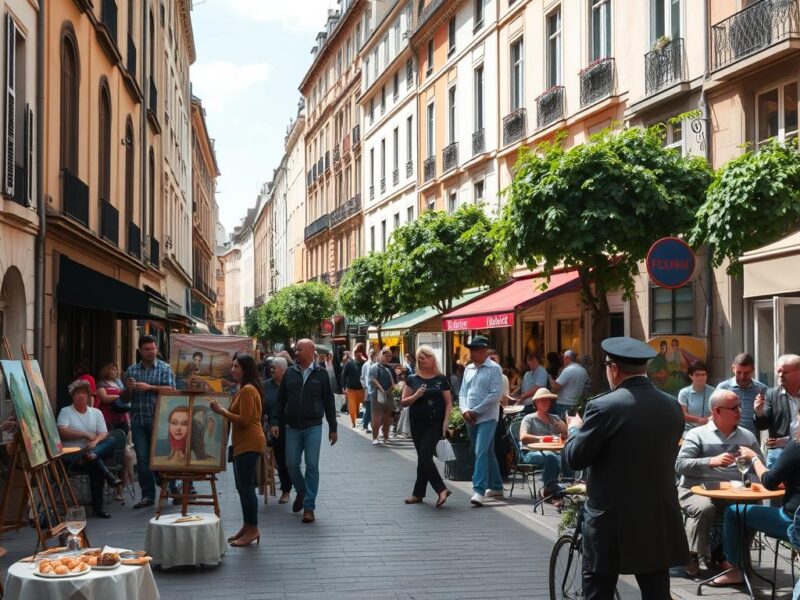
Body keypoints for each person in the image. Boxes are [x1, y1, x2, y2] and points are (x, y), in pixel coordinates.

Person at [563, 337, 688, 599]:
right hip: (656, 513)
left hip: (611, 517)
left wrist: (575, 428)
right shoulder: (671, 405)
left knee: (599, 588)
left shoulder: (603, 406)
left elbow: (576, 458)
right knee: (656, 590)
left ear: (613, 368)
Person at [675, 389, 762, 577]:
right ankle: (691, 555)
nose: (740, 411)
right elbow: (680, 465)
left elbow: (758, 466)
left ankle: (733, 556)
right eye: (734, 407)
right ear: (717, 411)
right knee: (704, 508)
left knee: (754, 508)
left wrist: (753, 478)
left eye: (740, 406)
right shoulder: (697, 434)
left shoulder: (747, 436)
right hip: (695, 489)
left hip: (734, 492)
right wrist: (710, 461)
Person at [710, 437, 800, 586]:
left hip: (793, 524)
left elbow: (769, 481)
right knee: (745, 513)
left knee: (734, 512)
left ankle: (735, 571)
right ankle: (744, 564)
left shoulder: (796, 446)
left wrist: (754, 458)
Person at [269, 339, 338, 524]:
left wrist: (333, 428)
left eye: (298, 349)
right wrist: (275, 421)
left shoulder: (321, 374)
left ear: (309, 351)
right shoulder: (290, 373)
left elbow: (329, 402)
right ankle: (301, 490)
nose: (295, 352)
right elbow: (280, 400)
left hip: (313, 426)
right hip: (292, 427)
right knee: (291, 464)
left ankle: (309, 507)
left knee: (312, 465)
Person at [211, 354, 266, 546]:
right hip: (243, 443)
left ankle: (253, 529)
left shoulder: (248, 390)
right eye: (232, 365)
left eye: (236, 366)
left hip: (250, 442)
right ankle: (247, 526)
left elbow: (244, 420)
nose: (232, 369)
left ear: (245, 369)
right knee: (242, 487)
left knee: (246, 487)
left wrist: (222, 411)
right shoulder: (243, 388)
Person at [122, 335, 177, 509]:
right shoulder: (132, 370)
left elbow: (171, 390)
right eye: (147, 349)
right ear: (140, 350)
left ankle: (172, 488)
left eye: (153, 349)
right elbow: (124, 399)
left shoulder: (164, 368)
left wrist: (149, 387)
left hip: (160, 419)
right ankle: (147, 495)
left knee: (164, 457)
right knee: (144, 459)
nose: (151, 352)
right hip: (139, 420)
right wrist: (128, 389)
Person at [57, 379, 122, 519]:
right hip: (73, 456)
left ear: (88, 396)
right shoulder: (66, 411)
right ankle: (99, 506)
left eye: (83, 394)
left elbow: (103, 433)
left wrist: (96, 441)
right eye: (77, 394)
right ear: (72, 397)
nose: (81, 396)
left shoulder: (96, 412)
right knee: (97, 466)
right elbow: (62, 431)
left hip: (90, 454)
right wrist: (85, 434)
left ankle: (93, 454)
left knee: (110, 441)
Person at [401, 346, 452, 507]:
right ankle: (418, 493)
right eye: (420, 357)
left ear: (432, 358)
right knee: (423, 458)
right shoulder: (412, 379)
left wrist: (446, 422)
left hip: (434, 423)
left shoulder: (441, 379)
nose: (423, 360)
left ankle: (441, 489)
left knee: (424, 456)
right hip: (417, 423)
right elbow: (403, 401)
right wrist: (415, 396)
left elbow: (448, 402)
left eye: (426, 356)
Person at [459, 335, 504, 506]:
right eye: (471, 350)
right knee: (488, 452)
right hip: (470, 417)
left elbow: (495, 395)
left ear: (485, 352)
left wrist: (475, 411)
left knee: (481, 451)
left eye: (475, 351)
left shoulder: (494, 368)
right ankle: (496, 486)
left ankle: (478, 490)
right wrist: (464, 411)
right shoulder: (468, 368)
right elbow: (463, 391)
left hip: (487, 417)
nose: (471, 354)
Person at [754, 354, 800, 468]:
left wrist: (787, 440)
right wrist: (759, 412)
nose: (780, 375)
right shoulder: (771, 394)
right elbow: (762, 426)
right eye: (778, 371)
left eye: (785, 372)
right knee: (776, 485)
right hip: (779, 452)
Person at [518, 388, 567, 487]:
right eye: (543, 400)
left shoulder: (554, 418)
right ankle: (549, 489)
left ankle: (566, 486)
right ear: (536, 402)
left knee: (567, 456)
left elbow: (566, 434)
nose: (546, 402)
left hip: (554, 451)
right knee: (551, 457)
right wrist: (542, 438)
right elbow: (523, 437)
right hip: (530, 452)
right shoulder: (529, 419)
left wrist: (561, 427)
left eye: (548, 400)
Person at [715, 353, 768, 437]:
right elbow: (714, 413)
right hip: (726, 438)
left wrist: (759, 412)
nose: (742, 377)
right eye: (739, 372)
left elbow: (766, 420)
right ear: (733, 368)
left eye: (746, 373)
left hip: (751, 439)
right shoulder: (723, 387)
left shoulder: (762, 389)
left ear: (753, 370)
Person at [263, 357, 291, 504]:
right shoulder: (265, 386)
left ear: (283, 370)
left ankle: (290, 486)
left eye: (274, 367)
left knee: (290, 461)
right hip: (272, 428)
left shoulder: (290, 385)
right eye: (271, 367)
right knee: (280, 459)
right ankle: (285, 490)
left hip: (290, 428)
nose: (271, 370)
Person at [677, 360, 715, 432]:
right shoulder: (684, 393)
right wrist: (698, 420)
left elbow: (716, 410)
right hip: (689, 430)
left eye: (703, 374)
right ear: (691, 376)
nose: (701, 377)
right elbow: (683, 414)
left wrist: (710, 418)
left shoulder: (713, 391)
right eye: (697, 375)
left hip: (708, 429)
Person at [549, 349, 589, 418]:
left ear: (567, 358)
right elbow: (587, 386)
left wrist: (550, 379)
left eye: (564, 358)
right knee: (574, 425)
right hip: (577, 403)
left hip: (564, 404)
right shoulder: (583, 370)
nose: (563, 360)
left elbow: (556, 386)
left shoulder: (568, 370)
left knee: (563, 426)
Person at [369, 348, 396, 445]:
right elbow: (373, 380)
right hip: (376, 395)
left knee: (387, 417)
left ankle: (386, 436)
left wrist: (389, 390)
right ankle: (375, 437)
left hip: (387, 395)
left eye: (390, 356)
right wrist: (383, 390)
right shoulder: (374, 368)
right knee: (376, 417)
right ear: (381, 355)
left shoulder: (388, 369)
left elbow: (393, 383)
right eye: (387, 355)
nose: (389, 358)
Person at [96, 363, 130, 435]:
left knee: (123, 436)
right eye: (112, 369)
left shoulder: (118, 382)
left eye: (116, 370)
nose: (114, 371)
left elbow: (124, 395)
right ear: (106, 371)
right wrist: (118, 397)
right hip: (108, 415)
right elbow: (104, 398)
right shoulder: (101, 383)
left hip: (122, 415)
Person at [342, 343, 366, 428]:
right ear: (354, 353)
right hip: (351, 389)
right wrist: (344, 387)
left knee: (359, 407)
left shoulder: (364, 363)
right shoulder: (349, 363)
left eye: (359, 352)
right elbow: (344, 375)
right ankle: (353, 421)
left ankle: (363, 421)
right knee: (352, 406)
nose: (357, 354)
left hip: (361, 389)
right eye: (356, 352)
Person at [360, 348, 376, 433]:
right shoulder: (365, 365)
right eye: (371, 354)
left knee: (376, 409)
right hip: (368, 389)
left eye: (373, 354)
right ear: (368, 354)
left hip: (376, 389)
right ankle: (365, 425)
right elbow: (362, 378)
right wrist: (365, 387)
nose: (372, 355)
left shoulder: (377, 364)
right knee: (368, 408)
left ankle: (373, 425)